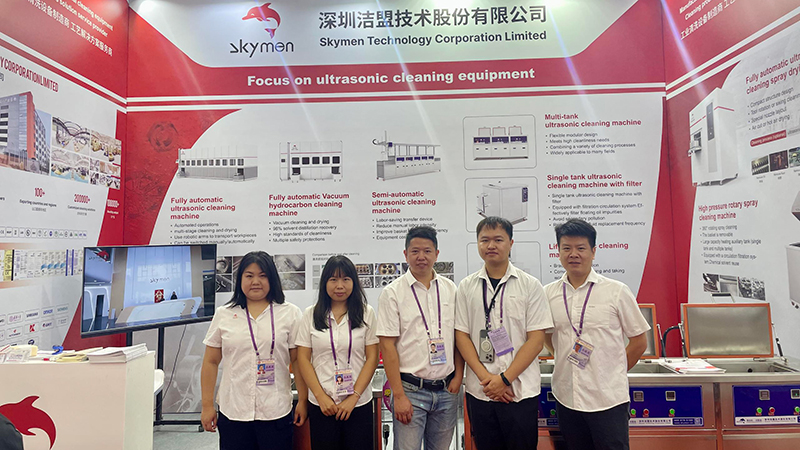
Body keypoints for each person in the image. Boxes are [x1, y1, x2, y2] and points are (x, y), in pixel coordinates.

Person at [544, 219, 650, 450]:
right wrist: (563, 356)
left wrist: (612, 371)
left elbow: (639, 341)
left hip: (607, 400)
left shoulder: (616, 291)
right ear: (558, 252)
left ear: (593, 251)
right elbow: (547, 336)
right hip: (567, 397)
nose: (573, 254)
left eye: (581, 248)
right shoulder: (548, 294)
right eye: (566, 248)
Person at [455, 216, 553, 450]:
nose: (491, 245)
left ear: (511, 243)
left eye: (498, 239)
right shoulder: (466, 286)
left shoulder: (530, 285)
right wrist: (488, 380)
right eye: (484, 240)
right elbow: (461, 336)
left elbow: (536, 340)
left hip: (520, 392)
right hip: (481, 392)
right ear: (477, 243)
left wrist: (505, 379)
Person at [200, 251, 306, 450]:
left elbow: (298, 361)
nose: (255, 281)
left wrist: (303, 399)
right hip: (234, 410)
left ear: (272, 279)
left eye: (263, 275)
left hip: (275, 410)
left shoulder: (290, 313)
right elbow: (210, 362)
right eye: (249, 275)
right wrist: (207, 406)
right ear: (240, 279)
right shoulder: (224, 314)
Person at [376, 226, 464, 450]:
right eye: (415, 251)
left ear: (437, 254)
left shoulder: (451, 289)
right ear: (405, 254)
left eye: (427, 251)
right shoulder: (392, 293)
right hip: (410, 390)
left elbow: (459, 337)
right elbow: (387, 346)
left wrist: (458, 377)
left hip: (447, 390)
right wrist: (398, 395)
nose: (421, 257)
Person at [295, 255, 379, 450]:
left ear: (354, 282)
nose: (339, 286)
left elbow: (372, 358)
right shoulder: (310, 314)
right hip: (322, 405)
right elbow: (303, 359)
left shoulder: (367, 313)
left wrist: (353, 397)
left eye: (345, 279)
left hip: (358, 404)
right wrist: (321, 397)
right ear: (325, 282)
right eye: (333, 279)